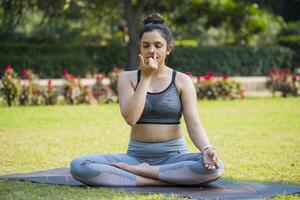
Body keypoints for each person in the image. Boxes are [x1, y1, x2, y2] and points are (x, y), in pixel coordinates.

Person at [70, 13, 224, 187]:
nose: (152, 50)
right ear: (140, 48)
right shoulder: (127, 78)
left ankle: (145, 174)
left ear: (168, 49)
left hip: (174, 157)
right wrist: (146, 78)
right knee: (79, 166)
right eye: (146, 45)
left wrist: (206, 148)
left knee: (215, 167)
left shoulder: (182, 81)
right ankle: (158, 179)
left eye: (158, 45)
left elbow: (194, 124)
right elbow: (131, 118)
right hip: (135, 157)